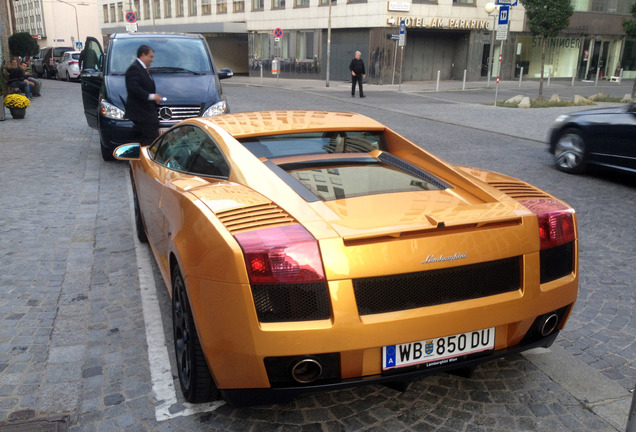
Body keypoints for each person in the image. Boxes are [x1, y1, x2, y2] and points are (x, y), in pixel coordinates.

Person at [125, 45, 163, 146]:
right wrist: (152, 97)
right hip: (141, 115)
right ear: (143, 55)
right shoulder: (134, 68)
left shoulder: (144, 69)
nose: (152, 59)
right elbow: (134, 88)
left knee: (149, 139)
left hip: (147, 114)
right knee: (148, 141)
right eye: (151, 56)